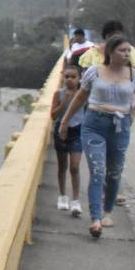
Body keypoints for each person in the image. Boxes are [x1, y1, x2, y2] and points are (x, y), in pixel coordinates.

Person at [58, 35, 135, 238]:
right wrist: (65, 121)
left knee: (114, 173)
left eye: (128, 51)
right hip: (94, 124)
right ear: (110, 53)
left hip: (120, 127)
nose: (127, 54)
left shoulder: (134, 75)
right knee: (98, 171)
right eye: (122, 50)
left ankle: (107, 211)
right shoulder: (94, 72)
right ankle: (95, 219)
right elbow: (80, 97)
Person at [50, 64, 84, 216]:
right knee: (62, 165)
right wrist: (65, 101)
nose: (70, 80)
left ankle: (76, 201)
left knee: (75, 167)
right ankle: (63, 196)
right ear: (63, 78)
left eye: (73, 77)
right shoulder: (58, 93)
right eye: (67, 77)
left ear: (79, 78)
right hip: (61, 131)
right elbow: (53, 115)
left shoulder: (84, 94)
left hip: (78, 131)